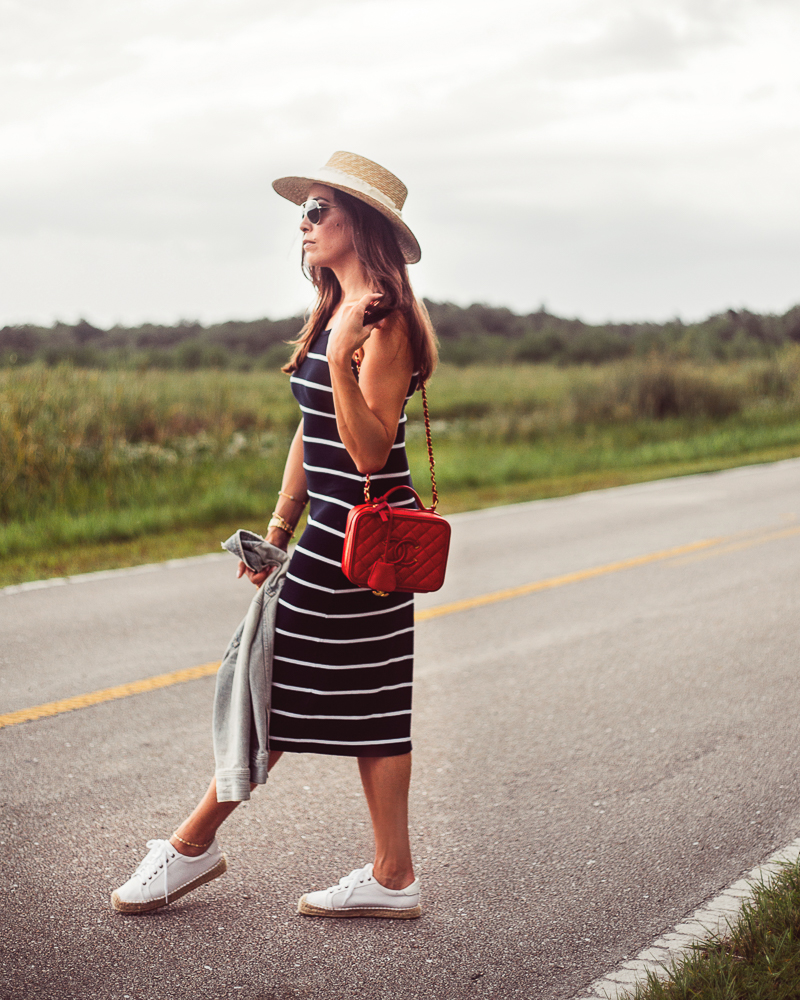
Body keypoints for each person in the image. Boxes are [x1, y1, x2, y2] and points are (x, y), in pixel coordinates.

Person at [111, 151, 438, 919]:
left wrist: (335, 359)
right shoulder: (335, 310)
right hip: (329, 528)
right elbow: (309, 432)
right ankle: (394, 876)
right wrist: (277, 527)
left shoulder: (380, 323)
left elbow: (366, 449)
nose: (305, 221)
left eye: (320, 209)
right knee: (372, 702)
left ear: (363, 224)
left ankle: (190, 847)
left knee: (276, 682)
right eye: (305, 209)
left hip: (367, 533)